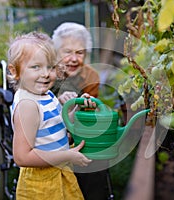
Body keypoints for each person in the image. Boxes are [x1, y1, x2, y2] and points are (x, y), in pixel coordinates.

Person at [7, 31, 95, 199]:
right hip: (41, 183)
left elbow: (58, 127)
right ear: (15, 71)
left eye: (51, 67)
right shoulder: (28, 106)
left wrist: (78, 109)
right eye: (36, 67)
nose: (46, 74)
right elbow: (22, 157)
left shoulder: (45, 95)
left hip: (58, 172)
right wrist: (67, 155)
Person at [51, 22, 113, 200]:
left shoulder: (91, 76)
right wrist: (59, 101)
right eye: (67, 52)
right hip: (48, 132)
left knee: (95, 155)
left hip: (77, 130)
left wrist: (87, 103)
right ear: (56, 53)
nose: (74, 58)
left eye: (80, 52)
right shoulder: (47, 74)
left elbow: (90, 116)